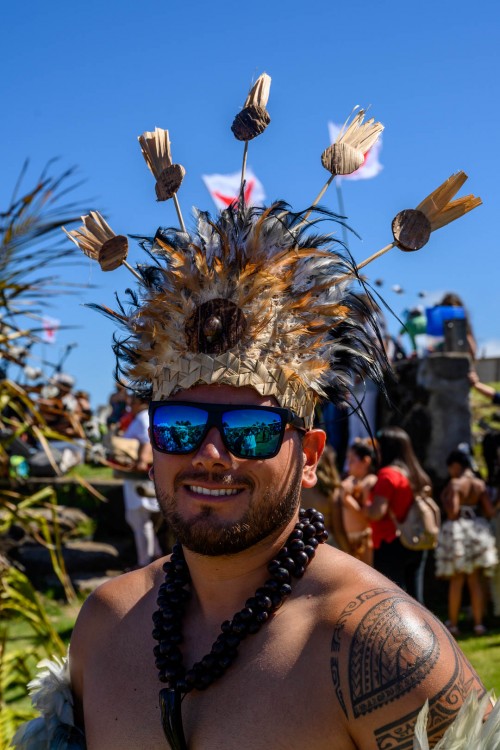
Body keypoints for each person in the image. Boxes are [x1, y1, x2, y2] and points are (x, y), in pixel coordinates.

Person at [13, 77, 496, 750]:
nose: (211, 453)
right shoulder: (105, 624)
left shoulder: (383, 648)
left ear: (311, 454)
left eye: (250, 430)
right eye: (179, 426)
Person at [362, 426, 430, 602]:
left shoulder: (387, 475)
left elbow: (377, 512)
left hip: (390, 541)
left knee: (395, 598)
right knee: (416, 598)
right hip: (415, 538)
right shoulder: (414, 473)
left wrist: (362, 501)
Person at [435, 449, 498, 636]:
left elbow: (453, 512)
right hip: (477, 529)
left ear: (455, 466)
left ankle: (453, 624)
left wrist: (444, 500)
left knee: (457, 580)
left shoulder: (455, 484)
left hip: (458, 533)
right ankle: (479, 624)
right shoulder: (479, 484)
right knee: (475, 580)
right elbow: (490, 511)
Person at [120, 393, 162, 568]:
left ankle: (145, 562)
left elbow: (147, 439)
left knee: (140, 519)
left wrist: (142, 461)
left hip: (139, 477)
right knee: (139, 520)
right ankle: (156, 556)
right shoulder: (143, 416)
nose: (131, 405)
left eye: (133, 401)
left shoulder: (143, 417)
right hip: (137, 476)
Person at [341, 438, 378, 565]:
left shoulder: (370, 481)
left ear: (366, 461)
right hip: (348, 540)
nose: (348, 464)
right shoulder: (351, 480)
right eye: (348, 459)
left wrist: (347, 500)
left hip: (363, 539)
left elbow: (366, 516)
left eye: (352, 460)